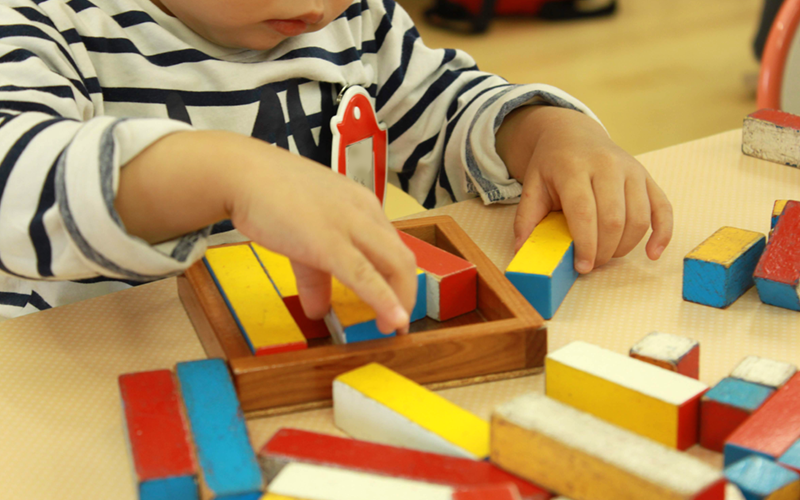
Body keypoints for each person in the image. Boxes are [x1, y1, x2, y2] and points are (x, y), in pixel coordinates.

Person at [0, 0, 672, 331]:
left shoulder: (350, 18)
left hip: (323, 356)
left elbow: (439, 110)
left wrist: (547, 131)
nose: (322, 5)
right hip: (91, 374)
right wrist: (225, 173)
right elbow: (16, 181)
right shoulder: (42, 23)